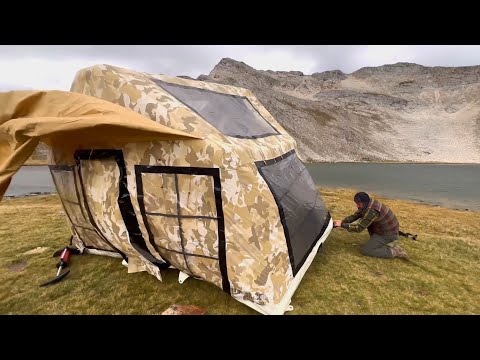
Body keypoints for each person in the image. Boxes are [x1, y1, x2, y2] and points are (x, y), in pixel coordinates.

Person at [333, 192, 409, 260]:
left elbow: (358, 228)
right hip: (383, 229)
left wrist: (342, 225)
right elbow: (356, 215)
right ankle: (381, 243)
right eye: (357, 203)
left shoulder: (372, 211)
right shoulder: (368, 203)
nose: (357, 206)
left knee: (366, 250)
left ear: (364, 202)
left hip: (388, 233)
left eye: (359, 204)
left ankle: (394, 251)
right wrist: (342, 221)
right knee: (371, 237)